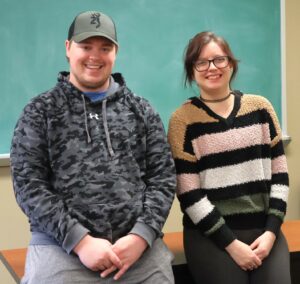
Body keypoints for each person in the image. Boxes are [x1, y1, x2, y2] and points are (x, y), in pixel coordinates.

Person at [10, 10, 176, 284]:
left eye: (105, 48)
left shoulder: (142, 110)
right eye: (85, 46)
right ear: (68, 48)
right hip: (61, 247)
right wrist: (81, 242)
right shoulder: (40, 112)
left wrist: (141, 235)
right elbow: (29, 184)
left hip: (137, 251)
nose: (94, 56)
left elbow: (163, 179)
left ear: (116, 51)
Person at [167, 31, 291, 284]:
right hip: (210, 234)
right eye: (201, 62)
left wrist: (270, 232)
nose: (212, 68)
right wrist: (231, 244)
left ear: (231, 64)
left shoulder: (261, 108)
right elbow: (189, 194)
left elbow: (280, 176)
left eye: (219, 59)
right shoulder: (183, 121)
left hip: (265, 229)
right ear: (192, 71)